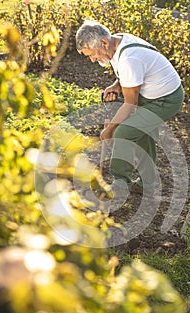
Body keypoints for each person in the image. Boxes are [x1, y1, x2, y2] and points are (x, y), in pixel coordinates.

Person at [76, 20, 184, 197]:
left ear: (103, 42)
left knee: (123, 132)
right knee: (142, 135)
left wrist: (110, 129)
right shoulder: (117, 43)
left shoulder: (129, 58)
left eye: (92, 54)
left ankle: (121, 183)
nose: (92, 59)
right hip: (152, 93)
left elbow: (130, 104)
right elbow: (131, 73)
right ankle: (148, 183)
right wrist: (116, 86)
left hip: (165, 100)